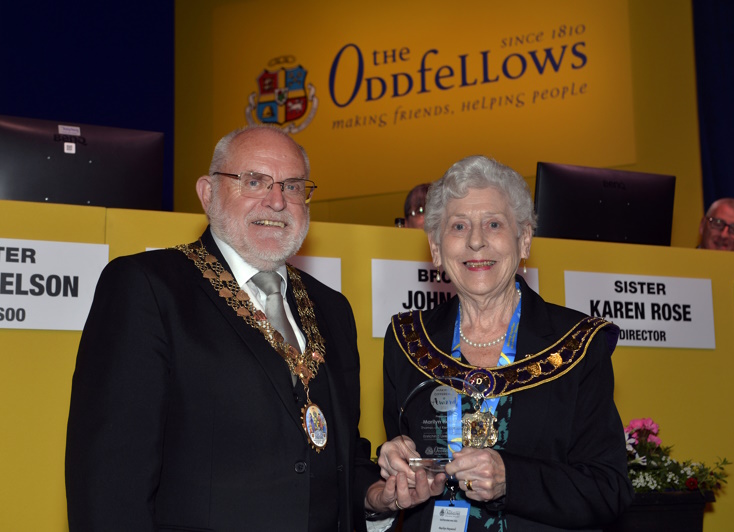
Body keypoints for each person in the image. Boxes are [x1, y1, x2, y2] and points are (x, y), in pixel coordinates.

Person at [65, 125, 387, 531]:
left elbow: (338, 455)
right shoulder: (148, 288)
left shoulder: (333, 308)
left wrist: (379, 495)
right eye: (254, 181)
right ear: (207, 193)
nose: (276, 201)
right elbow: (109, 480)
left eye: (292, 186)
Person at [374, 155, 633, 530]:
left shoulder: (577, 344)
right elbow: (402, 457)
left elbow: (609, 491)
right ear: (435, 247)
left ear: (523, 238)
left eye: (493, 224)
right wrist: (396, 464)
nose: (476, 241)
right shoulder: (408, 340)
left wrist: (513, 479)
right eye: (458, 225)